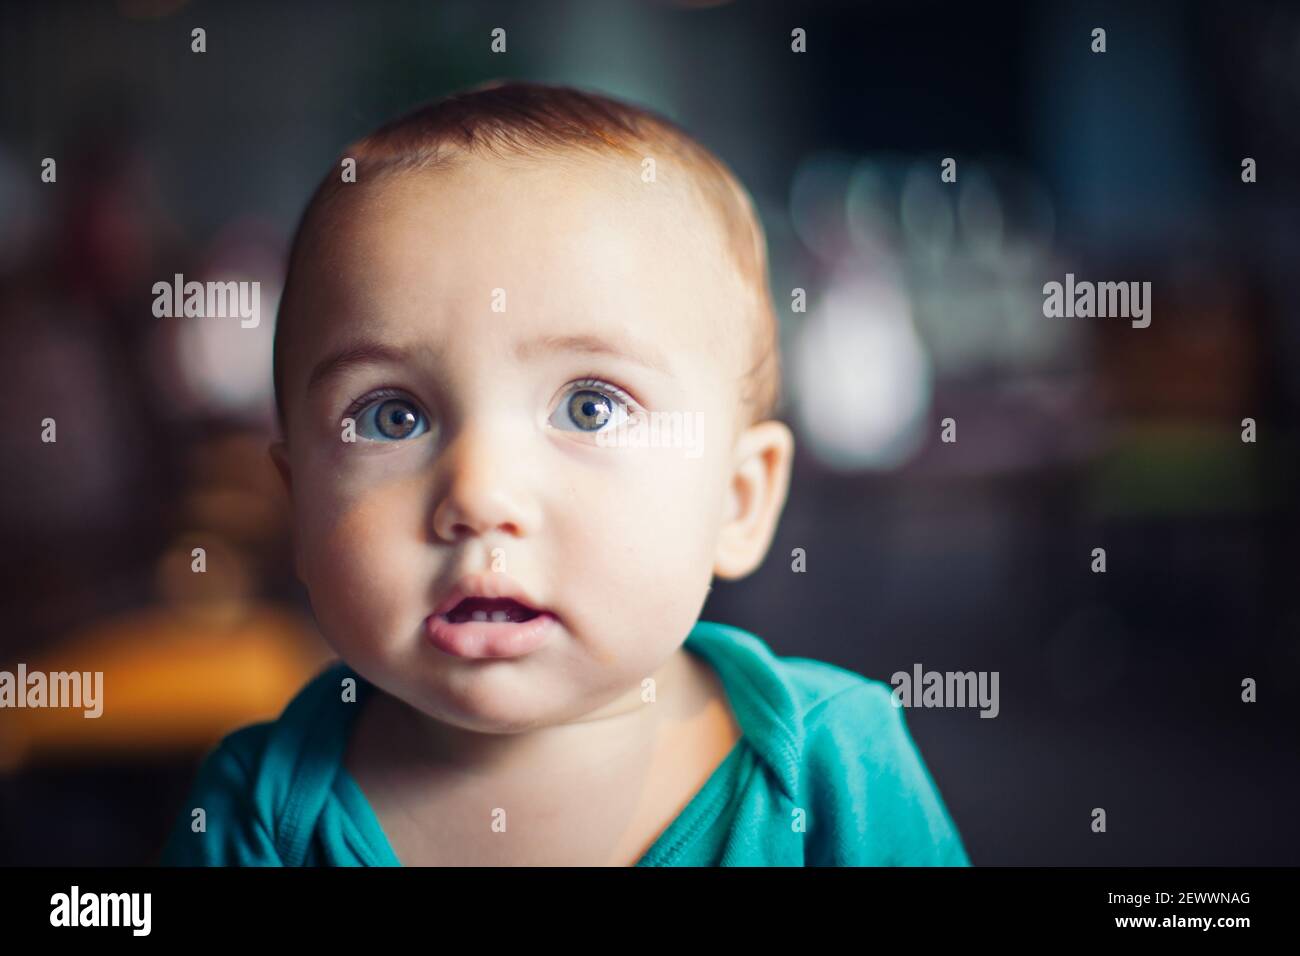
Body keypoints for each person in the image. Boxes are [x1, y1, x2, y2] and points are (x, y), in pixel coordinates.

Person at [160, 80, 970, 866]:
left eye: (590, 408)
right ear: (298, 505)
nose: (479, 495)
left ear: (738, 500)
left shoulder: (837, 769)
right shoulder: (258, 813)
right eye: (392, 417)